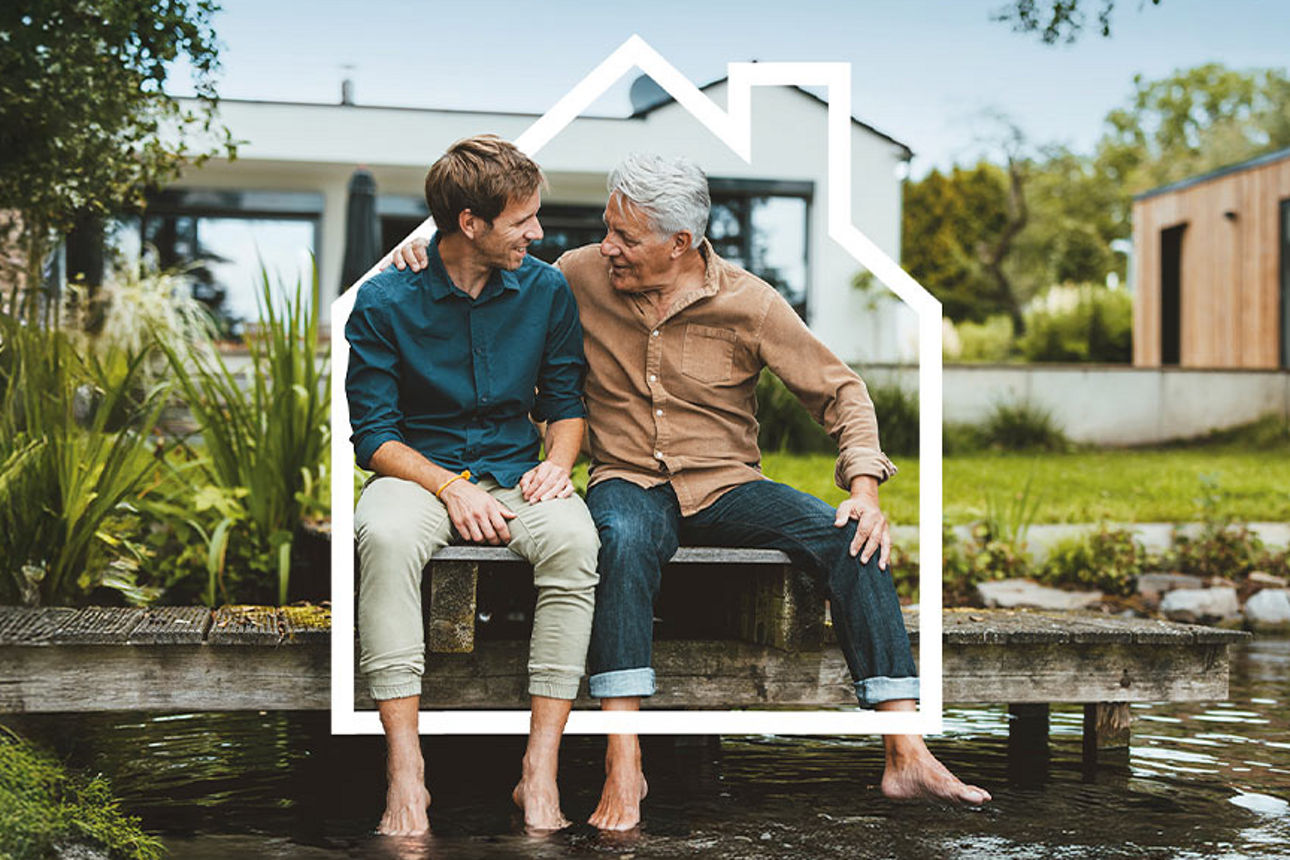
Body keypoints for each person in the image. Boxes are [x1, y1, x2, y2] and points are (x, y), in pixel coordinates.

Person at [392, 152, 990, 831]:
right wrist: (429, 250)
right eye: (607, 229)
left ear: (681, 243)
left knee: (852, 539)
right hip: (630, 482)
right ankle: (625, 765)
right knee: (615, 539)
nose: (608, 247)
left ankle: (905, 751)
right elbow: (489, 263)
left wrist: (865, 490)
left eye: (627, 237)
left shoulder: (750, 302)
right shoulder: (575, 277)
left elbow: (842, 392)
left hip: (728, 485)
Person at [347, 135, 600, 835]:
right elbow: (374, 436)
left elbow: (566, 404)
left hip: (520, 474)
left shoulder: (545, 288)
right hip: (421, 475)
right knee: (386, 535)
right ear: (470, 223)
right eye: (523, 220)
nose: (538, 232)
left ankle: (538, 768)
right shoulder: (385, 299)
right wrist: (451, 487)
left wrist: (559, 461)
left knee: (576, 543)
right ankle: (406, 770)